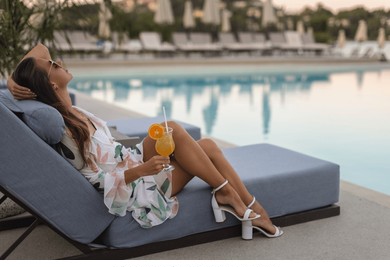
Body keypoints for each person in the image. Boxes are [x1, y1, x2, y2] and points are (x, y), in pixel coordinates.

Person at [8, 43, 283, 237]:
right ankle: (242, 201)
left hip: (132, 162)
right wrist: (142, 170)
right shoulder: (66, 130)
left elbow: (40, 49)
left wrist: (11, 79)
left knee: (190, 137)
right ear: (52, 85)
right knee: (204, 145)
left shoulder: (74, 112)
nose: (59, 61)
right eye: (53, 65)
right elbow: (94, 181)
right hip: (135, 189)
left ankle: (239, 199)